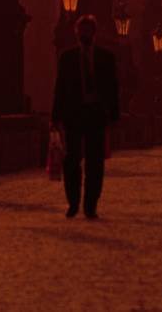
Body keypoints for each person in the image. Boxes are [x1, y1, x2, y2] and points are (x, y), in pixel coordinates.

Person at [51, 14, 119, 219]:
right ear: (77, 33)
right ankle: (73, 203)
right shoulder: (67, 57)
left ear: (94, 34)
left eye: (87, 32)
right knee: (72, 160)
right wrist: (55, 117)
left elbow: (113, 89)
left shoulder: (106, 58)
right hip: (74, 114)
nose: (84, 35)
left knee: (95, 163)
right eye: (81, 32)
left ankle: (90, 205)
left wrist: (113, 114)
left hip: (96, 114)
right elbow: (60, 88)